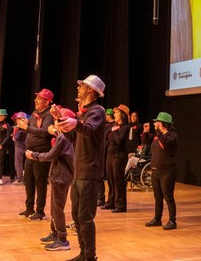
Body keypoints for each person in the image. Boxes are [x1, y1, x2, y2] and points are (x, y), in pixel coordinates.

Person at [61, 74, 106, 261]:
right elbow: (75, 137)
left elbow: (88, 130)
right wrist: (63, 125)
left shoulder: (98, 111)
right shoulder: (85, 113)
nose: (78, 88)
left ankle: (90, 256)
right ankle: (83, 253)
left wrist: (76, 123)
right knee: (76, 216)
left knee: (85, 217)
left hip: (90, 171)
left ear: (90, 90)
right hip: (79, 171)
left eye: (82, 86)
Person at [29, 105, 77, 251]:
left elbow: (50, 155)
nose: (54, 122)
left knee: (58, 209)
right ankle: (55, 233)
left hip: (62, 177)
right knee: (54, 208)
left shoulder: (63, 138)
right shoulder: (62, 136)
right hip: (59, 176)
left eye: (58, 120)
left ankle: (62, 239)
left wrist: (33, 155)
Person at [17, 88, 55, 220]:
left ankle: (40, 211)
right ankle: (29, 208)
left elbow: (45, 132)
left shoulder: (49, 115)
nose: (35, 100)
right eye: (36, 98)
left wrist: (26, 128)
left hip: (41, 152)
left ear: (47, 102)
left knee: (40, 182)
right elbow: (32, 129)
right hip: (30, 152)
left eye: (39, 99)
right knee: (28, 181)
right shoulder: (35, 113)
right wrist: (25, 124)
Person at [145, 112, 178, 230]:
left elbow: (164, 142)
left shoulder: (172, 136)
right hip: (155, 171)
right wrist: (146, 133)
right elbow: (147, 143)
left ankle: (172, 221)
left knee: (168, 196)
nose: (155, 124)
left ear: (163, 123)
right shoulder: (158, 135)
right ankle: (157, 219)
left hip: (167, 171)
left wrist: (158, 132)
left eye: (157, 122)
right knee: (158, 197)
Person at [107, 104, 133, 213]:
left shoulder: (126, 127)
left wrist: (114, 131)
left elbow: (119, 140)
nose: (114, 114)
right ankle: (111, 202)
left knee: (118, 180)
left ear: (122, 115)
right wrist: (112, 130)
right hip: (110, 154)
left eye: (117, 112)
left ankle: (121, 205)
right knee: (110, 179)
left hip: (119, 155)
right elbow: (106, 136)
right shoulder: (115, 126)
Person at [11, 112, 28, 184]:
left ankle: (19, 179)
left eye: (19, 119)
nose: (17, 121)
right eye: (17, 119)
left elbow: (15, 139)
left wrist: (14, 134)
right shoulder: (27, 128)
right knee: (25, 163)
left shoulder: (20, 130)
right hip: (25, 146)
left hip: (19, 147)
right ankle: (24, 178)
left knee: (18, 164)